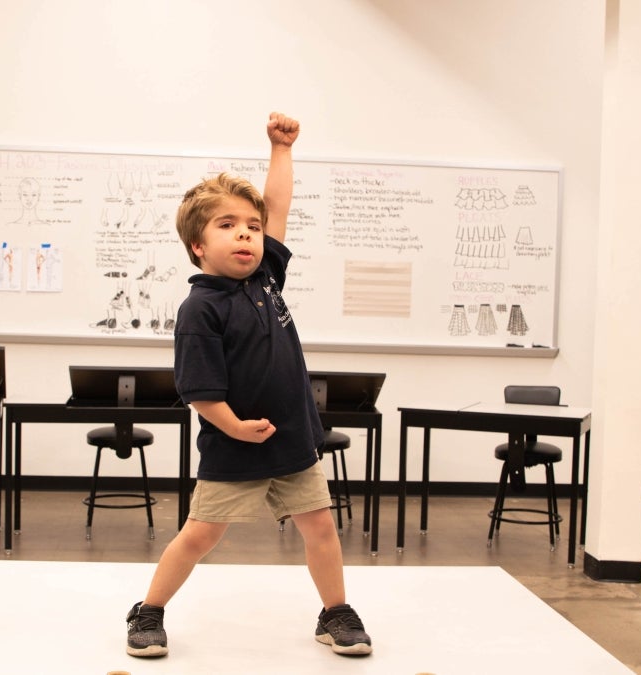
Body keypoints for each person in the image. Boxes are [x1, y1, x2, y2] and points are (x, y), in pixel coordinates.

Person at [124, 112, 372, 658]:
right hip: (235, 445)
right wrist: (234, 426)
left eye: (251, 228)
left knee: (321, 529)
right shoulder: (199, 309)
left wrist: (280, 149)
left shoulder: (266, 278)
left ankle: (335, 613)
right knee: (201, 535)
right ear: (197, 245)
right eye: (227, 225)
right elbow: (199, 389)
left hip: (291, 442)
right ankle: (148, 611)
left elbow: (276, 206)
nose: (246, 233)